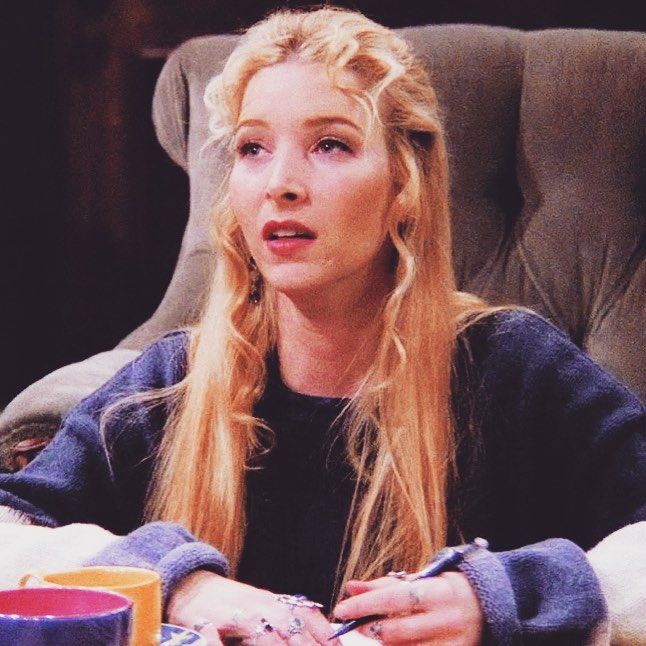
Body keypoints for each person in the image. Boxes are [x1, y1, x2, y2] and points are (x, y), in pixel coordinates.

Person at [1, 7, 645, 645]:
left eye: (330, 144)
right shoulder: (173, 382)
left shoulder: (513, 366)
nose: (280, 184)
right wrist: (176, 581)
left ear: (404, 182)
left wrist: (507, 597)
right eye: (253, 148)